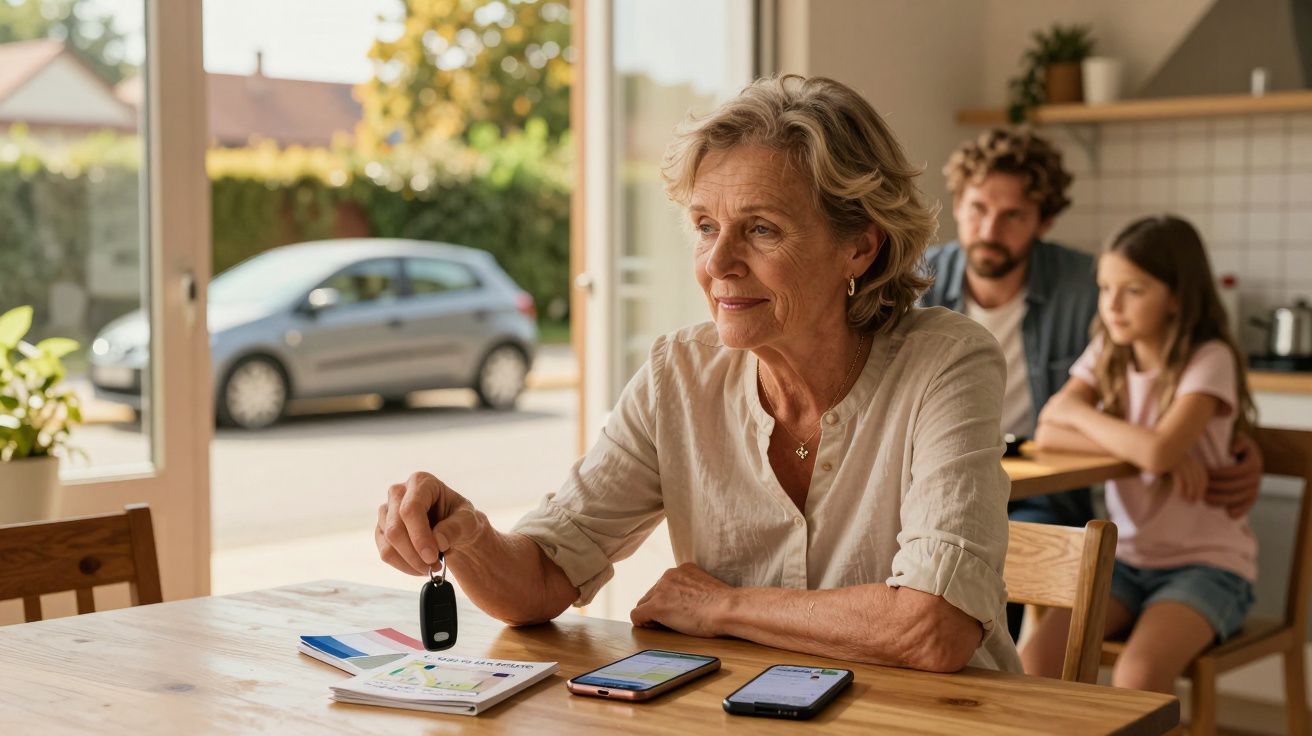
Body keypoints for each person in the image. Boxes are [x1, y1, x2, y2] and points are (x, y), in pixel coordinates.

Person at [376, 74, 1021, 672]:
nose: (718, 263)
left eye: (761, 229)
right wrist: (468, 536)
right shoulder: (677, 374)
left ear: (860, 245)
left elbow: (933, 627)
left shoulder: (946, 361)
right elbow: (543, 577)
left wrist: (723, 607)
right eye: (706, 226)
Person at [919, 129, 1263, 640]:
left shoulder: (1090, 285)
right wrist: (1155, 448)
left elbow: (1176, 366)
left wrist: (1230, 447)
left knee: (1012, 551)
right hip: (937, 478)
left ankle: (994, 678)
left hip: (1043, 492)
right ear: (957, 204)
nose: (990, 229)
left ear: (1044, 221)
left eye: (1013, 215)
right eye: (977, 209)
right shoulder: (916, 282)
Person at [1023, 215, 1257, 693]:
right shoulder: (1107, 350)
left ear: (1177, 296)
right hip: (1126, 561)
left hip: (1207, 565)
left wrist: (1085, 416)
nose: (1112, 305)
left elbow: (1156, 452)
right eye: (1105, 288)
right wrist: (1148, 447)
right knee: (1036, 659)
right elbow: (1048, 430)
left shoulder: (1208, 358)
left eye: (1133, 290)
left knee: (1138, 676)